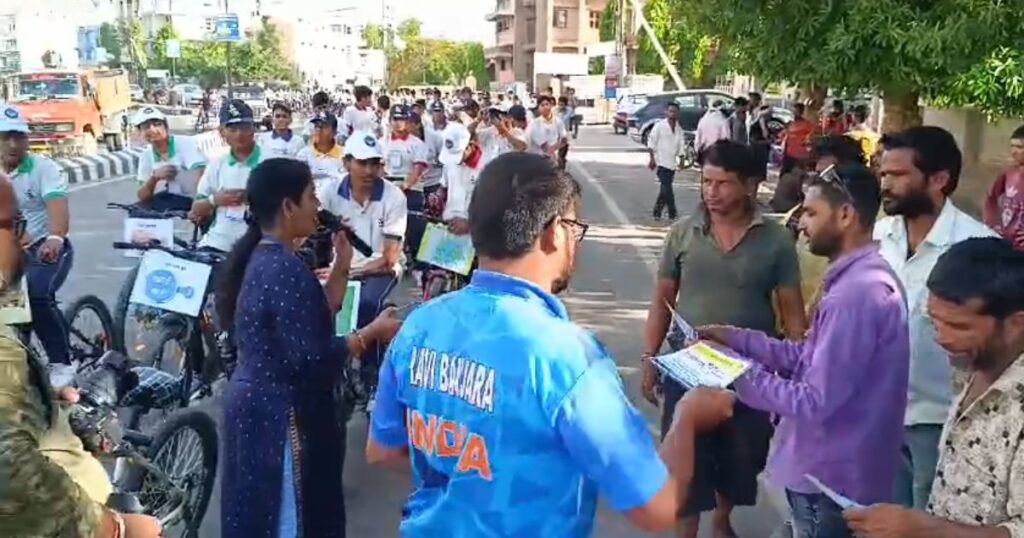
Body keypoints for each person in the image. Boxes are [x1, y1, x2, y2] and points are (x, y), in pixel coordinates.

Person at [367, 152, 737, 536]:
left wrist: (467, 470)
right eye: (574, 227)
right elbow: (658, 509)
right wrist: (689, 418)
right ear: (554, 231)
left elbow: (384, 449)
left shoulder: (419, 324)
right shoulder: (569, 358)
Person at [703, 163, 910, 538]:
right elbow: (806, 358)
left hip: (830, 480)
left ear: (845, 215)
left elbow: (813, 400)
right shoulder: (855, 282)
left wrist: (735, 370)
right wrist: (736, 339)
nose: (801, 223)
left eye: (812, 212)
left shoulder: (857, 294)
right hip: (827, 473)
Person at [216, 158, 399, 538]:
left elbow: (316, 310)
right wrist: (369, 334)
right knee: (287, 519)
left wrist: (343, 262)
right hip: (279, 417)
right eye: (311, 197)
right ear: (288, 206)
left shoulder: (270, 258)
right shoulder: (281, 268)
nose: (318, 206)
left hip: (258, 406)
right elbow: (312, 358)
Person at [642, 140, 808, 538]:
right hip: (687, 370)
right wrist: (649, 357)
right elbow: (662, 300)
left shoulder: (776, 240)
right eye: (706, 182)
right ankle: (688, 529)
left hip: (752, 377)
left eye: (723, 183)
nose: (711, 192)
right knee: (686, 460)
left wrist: (800, 373)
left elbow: (792, 314)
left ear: (751, 185)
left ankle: (722, 517)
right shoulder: (683, 233)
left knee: (741, 458)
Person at [844, 237, 1024, 538]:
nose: (942, 338)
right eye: (935, 322)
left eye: (959, 327)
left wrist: (924, 529)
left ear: (1016, 323)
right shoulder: (973, 364)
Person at [873, 126, 996, 511]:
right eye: (883, 173)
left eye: (898, 175)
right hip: (879, 414)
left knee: (932, 521)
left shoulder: (978, 248)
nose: (886, 183)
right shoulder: (876, 239)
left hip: (942, 421)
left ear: (938, 180)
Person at [318, 132, 407, 405]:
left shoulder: (394, 197)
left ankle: (372, 377)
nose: (369, 170)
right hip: (341, 267)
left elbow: (389, 258)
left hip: (380, 270)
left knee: (368, 305)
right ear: (347, 163)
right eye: (362, 163)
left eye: (374, 163)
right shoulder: (329, 192)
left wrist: (350, 272)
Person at [1, 104, 74, 379]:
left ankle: (61, 362)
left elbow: (57, 204)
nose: (12, 143)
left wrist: (55, 238)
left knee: (36, 294)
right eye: (5, 136)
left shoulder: (44, 168)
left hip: (45, 249)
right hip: (8, 251)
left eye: (18, 136)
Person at [191, 99, 266, 253]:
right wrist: (216, 200)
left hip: (259, 245)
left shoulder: (271, 162)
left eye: (244, 127)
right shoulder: (216, 165)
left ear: (253, 128)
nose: (239, 134)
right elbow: (196, 208)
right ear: (221, 132)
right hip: (217, 243)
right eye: (232, 128)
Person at [133, 105, 206, 212]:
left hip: (191, 203)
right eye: (146, 127)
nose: (152, 130)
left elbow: (200, 174)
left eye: (157, 124)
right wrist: (154, 178)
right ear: (140, 132)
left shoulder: (184, 143)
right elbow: (142, 196)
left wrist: (198, 206)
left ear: (166, 127)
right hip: (168, 207)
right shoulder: (146, 156)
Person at [436, 122, 482, 236]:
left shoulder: (487, 166)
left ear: (470, 145)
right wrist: (437, 198)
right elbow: (444, 186)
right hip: (449, 223)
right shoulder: (449, 163)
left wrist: (470, 223)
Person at [983, 124, 1024, 250]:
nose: (1014, 151)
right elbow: (990, 198)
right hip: (1005, 243)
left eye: (1019, 147)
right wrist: (992, 225)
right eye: (1012, 146)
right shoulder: (1008, 172)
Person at [647, 101, 687, 221]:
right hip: (661, 161)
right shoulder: (659, 126)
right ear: (666, 112)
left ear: (678, 113)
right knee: (666, 187)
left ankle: (667, 212)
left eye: (674, 111)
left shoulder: (679, 129)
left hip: (671, 163)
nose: (672, 114)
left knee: (666, 188)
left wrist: (681, 159)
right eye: (670, 111)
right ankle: (666, 211)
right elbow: (651, 142)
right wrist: (652, 158)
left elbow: (681, 145)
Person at [296, 111, 345, 196]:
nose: (318, 130)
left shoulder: (345, 155)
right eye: (316, 126)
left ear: (333, 132)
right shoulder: (303, 155)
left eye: (323, 127)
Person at [525, 94, 568, 160]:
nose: (545, 107)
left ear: (551, 106)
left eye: (547, 104)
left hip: (552, 158)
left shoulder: (558, 122)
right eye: (542, 105)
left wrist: (554, 148)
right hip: (538, 158)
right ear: (538, 108)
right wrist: (550, 152)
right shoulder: (534, 123)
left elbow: (564, 140)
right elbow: (543, 145)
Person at [781, 103, 816, 175]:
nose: (794, 114)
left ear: (801, 112)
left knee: (797, 175)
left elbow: (811, 138)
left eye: (796, 112)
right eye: (793, 112)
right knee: (784, 175)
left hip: (800, 155)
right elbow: (783, 135)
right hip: (788, 153)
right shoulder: (790, 124)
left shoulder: (807, 124)